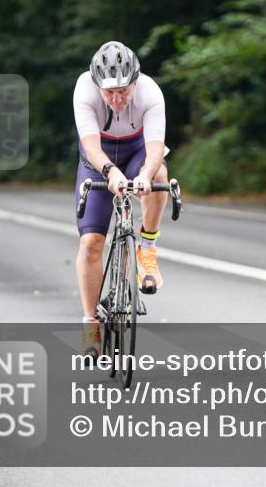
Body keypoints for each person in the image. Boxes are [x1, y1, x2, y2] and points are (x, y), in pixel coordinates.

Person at [73, 41, 170, 358]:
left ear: (135, 82)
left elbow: (155, 148)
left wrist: (144, 175)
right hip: (97, 159)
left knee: (159, 176)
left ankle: (147, 248)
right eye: (109, 92)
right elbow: (90, 146)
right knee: (91, 244)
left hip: (136, 152)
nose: (116, 99)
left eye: (123, 91)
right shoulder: (84, 88)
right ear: (97, 85)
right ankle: (90, 323)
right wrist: (110, 172)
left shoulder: (150, 92)